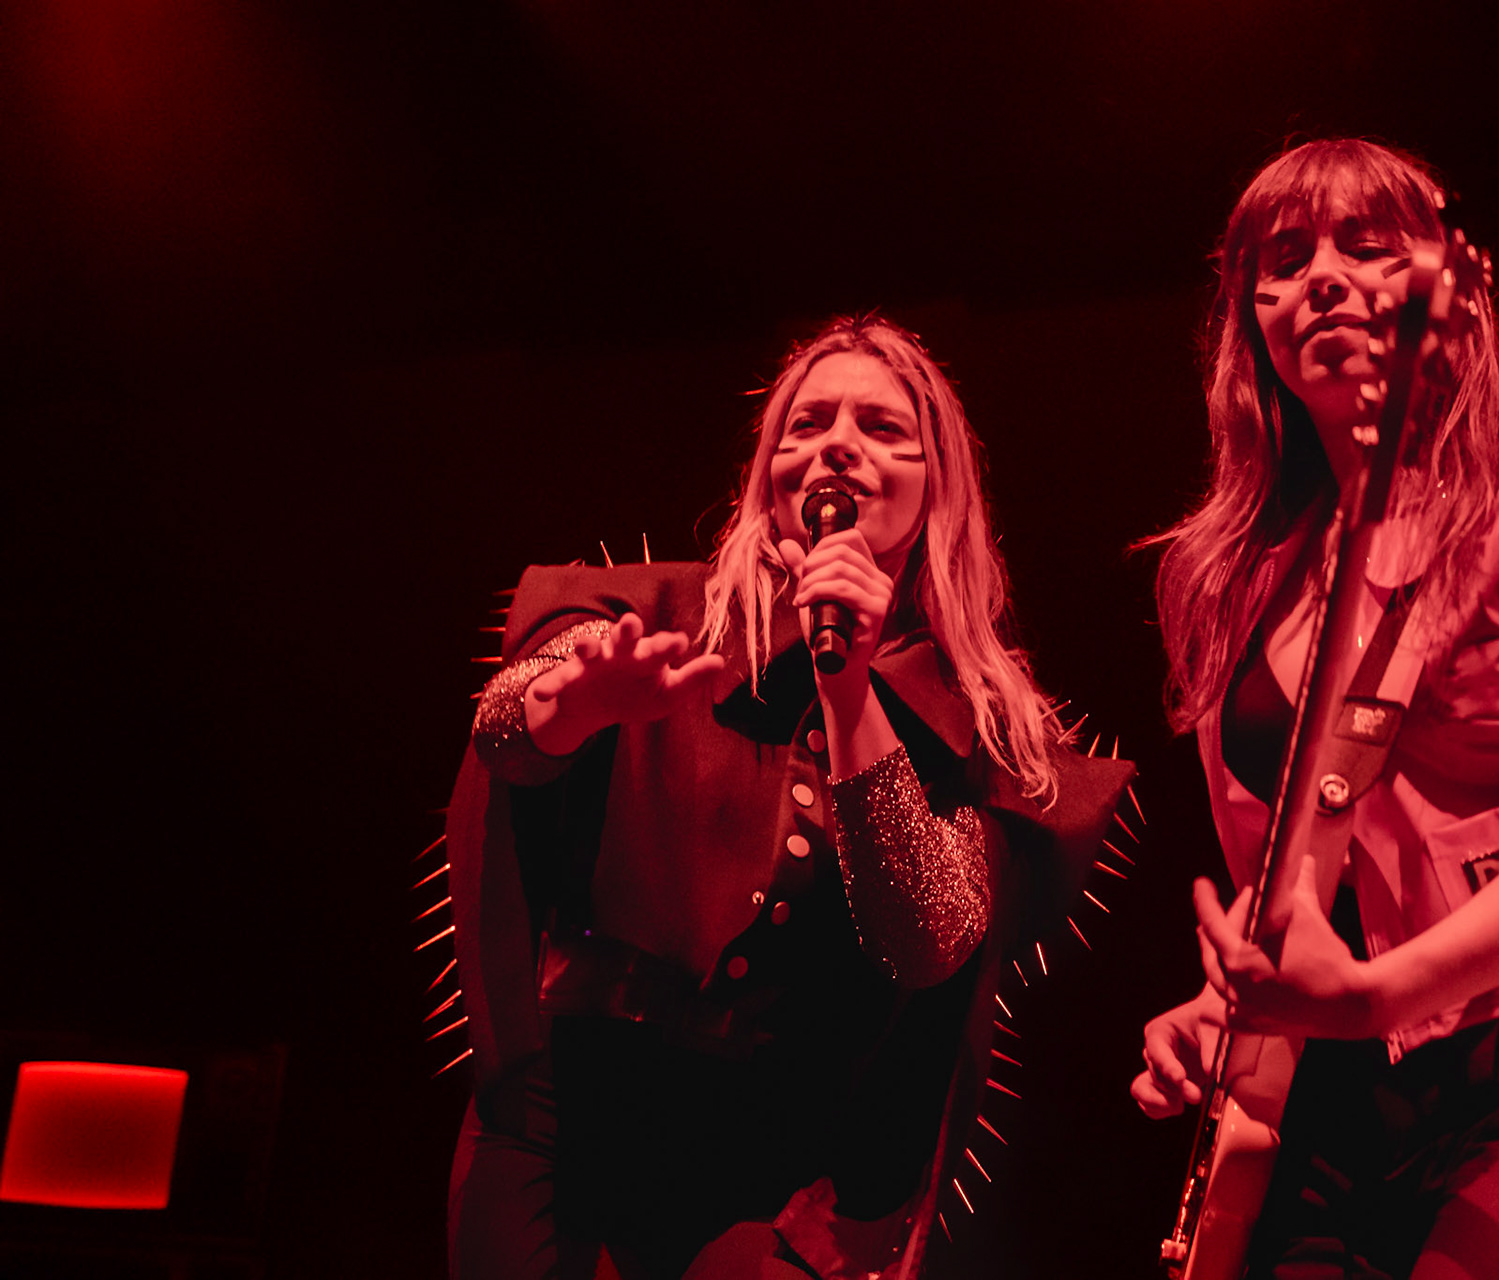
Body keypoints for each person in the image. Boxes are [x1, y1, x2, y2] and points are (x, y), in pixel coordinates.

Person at [443, 315, 1132, 1280]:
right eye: (805, 425)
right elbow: (505, 730)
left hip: (783, 1170)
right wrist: (574, 701)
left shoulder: (986, 731)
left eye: (882, 428)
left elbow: (930, 935)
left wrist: (850, 686)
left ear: (939, 489)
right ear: (769, 471)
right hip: (576, 1112)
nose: (836, 444)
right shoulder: (655, 616)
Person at [1130, 140, 1499, 1278]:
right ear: (1251, 318)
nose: (1325, 278)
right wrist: (1222, 1006)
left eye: (1368, 245)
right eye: (1286, 259)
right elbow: (1292, 886)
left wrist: (1375, 991)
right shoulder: (1233, 581)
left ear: (1445, 288)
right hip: (1349, 1119)